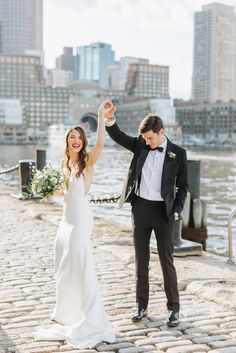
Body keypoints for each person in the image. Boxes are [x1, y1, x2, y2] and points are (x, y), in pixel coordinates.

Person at [35, 102, 115, 348]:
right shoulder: (64, 164)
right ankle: (69, 313)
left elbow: (101, 143)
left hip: (80, 222)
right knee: (64, 266)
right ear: (67, 141)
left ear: (83, 141)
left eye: (79, 137)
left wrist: (101, 116)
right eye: (72, 137)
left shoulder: (87, 162)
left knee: (80, 264)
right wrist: (50, 193)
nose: (76, 140)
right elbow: (65, 191)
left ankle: (92, 318)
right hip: (65, 223)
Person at [105, 101, 188, 327]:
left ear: (161, 132)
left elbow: (183, 187)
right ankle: (141, 305)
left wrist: (176, 211)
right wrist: (110, 118)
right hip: (140, 208)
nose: (148, 142)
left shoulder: (178, 153)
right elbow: (118, 136)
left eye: (151, 138)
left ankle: (174, 309)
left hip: (164, 213)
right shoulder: (141, 145)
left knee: (166, 262)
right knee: (141, 261)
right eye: (145, 139)